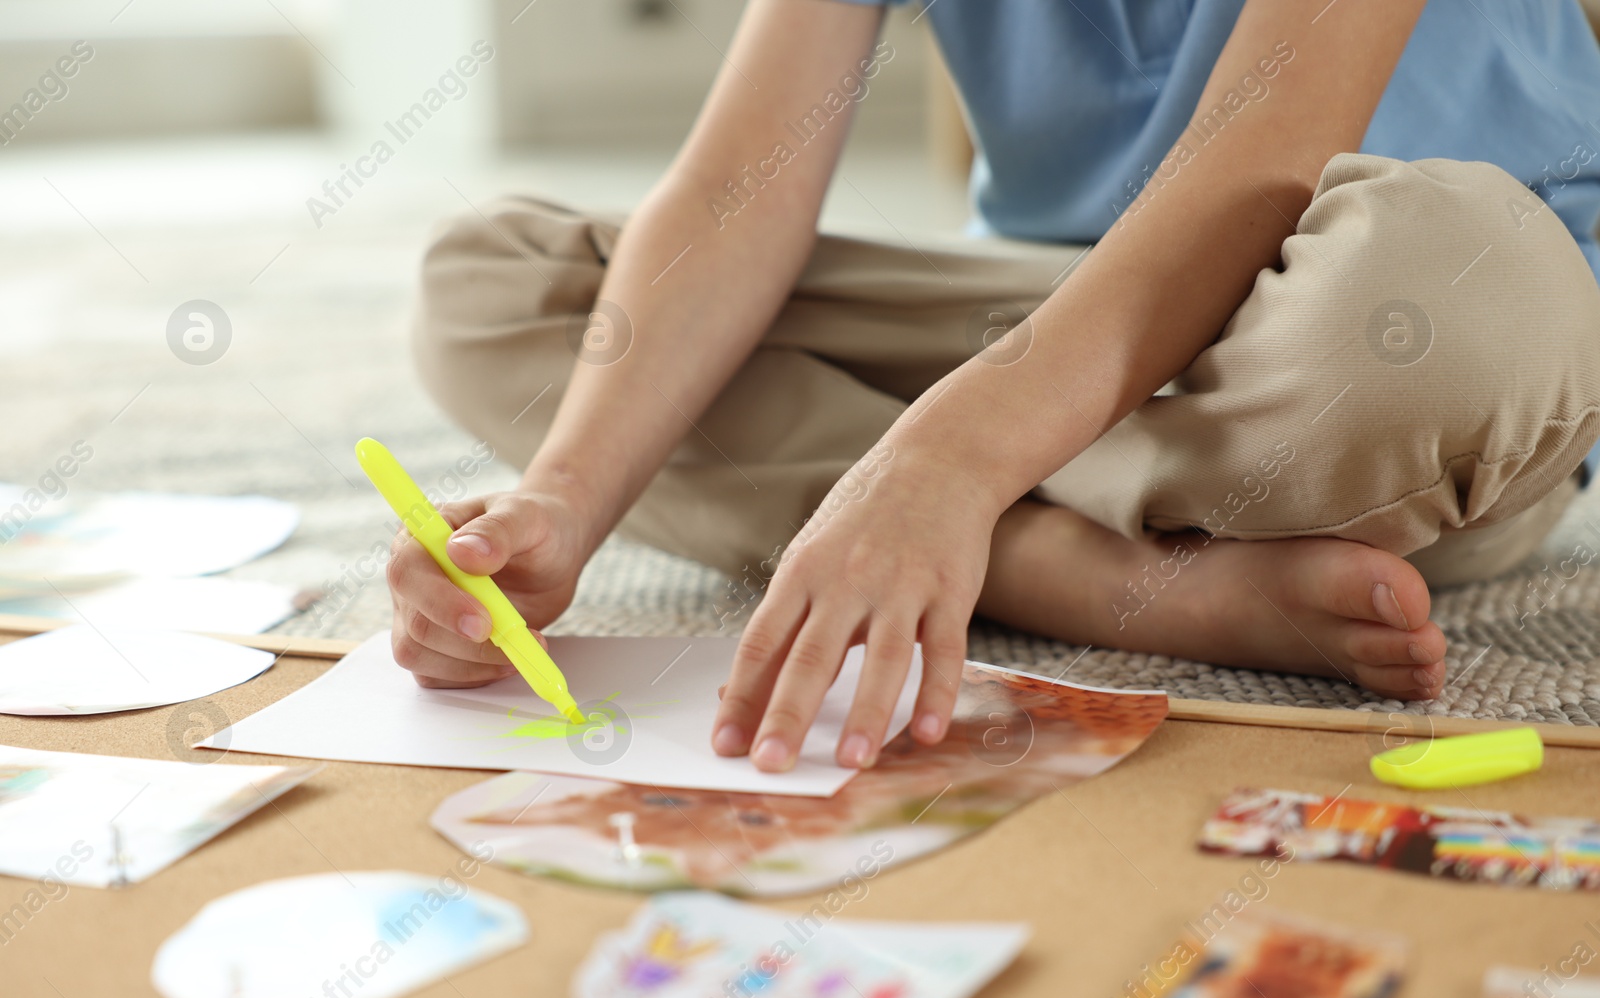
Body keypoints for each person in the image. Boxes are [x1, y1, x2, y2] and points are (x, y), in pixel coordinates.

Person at [388, 0, 1600, 774]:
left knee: (1475, 304)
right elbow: (733, 190)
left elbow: (1263, 160)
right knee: (491, 284)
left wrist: (945, 461)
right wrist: (562, 498)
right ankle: (1092, 574)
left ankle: (977, 513)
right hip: (1042, 320)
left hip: (1346, 323)